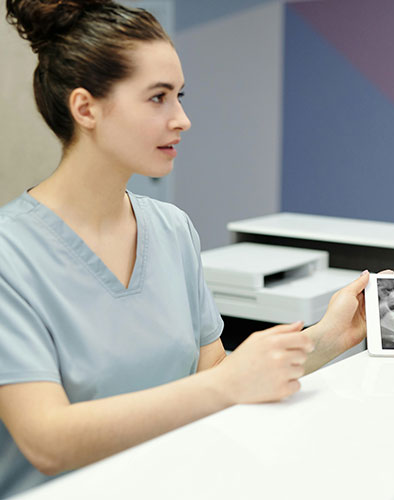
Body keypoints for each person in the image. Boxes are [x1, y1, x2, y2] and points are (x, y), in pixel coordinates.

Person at [0, 0, 371, 497]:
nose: (183, 119)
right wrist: (225, 384)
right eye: (158, 98)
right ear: (85, 108)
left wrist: (327, 338)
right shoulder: (11, 255)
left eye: (179, 95)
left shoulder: (171, 229)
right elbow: (47, 441)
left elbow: (215, 374)